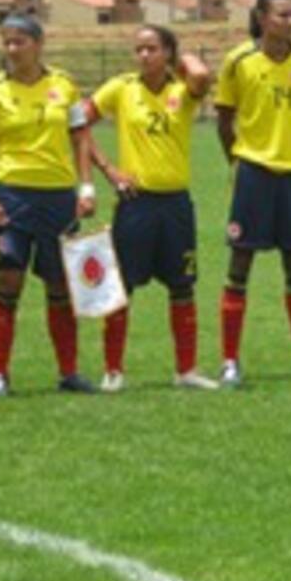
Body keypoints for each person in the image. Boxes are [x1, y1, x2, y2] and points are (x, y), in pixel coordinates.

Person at [0, 15, 96, 395]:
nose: (12, 49)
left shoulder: (64, 85)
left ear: (39, 44)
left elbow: (80, 137)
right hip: (12, 196)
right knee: (9, 279)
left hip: (58, 197)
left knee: (59, 284)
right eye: (6, 42)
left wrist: (86, 187)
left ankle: (69, 372)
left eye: (20, 41)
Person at [85, 25, 217, 391]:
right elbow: (77, 121)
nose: (143, 56)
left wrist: (183, 58)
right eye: (138, 49)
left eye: (152, 48)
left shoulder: (183, 91)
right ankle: (113, 371)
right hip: (136, 204)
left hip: (176, 203)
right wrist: (109, 170)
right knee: (122, 288)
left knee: (182, 286)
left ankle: (186, 370)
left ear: (169, 53)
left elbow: (203, 76)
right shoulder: (121, 88)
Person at [215, 0, 291, 386]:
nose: (290, 21)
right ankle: (230, 361)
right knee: (239, 265)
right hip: (254, 174)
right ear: (261, 18)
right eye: (282, 15)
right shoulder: (239, 62)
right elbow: (224, 120)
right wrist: (244, 160)